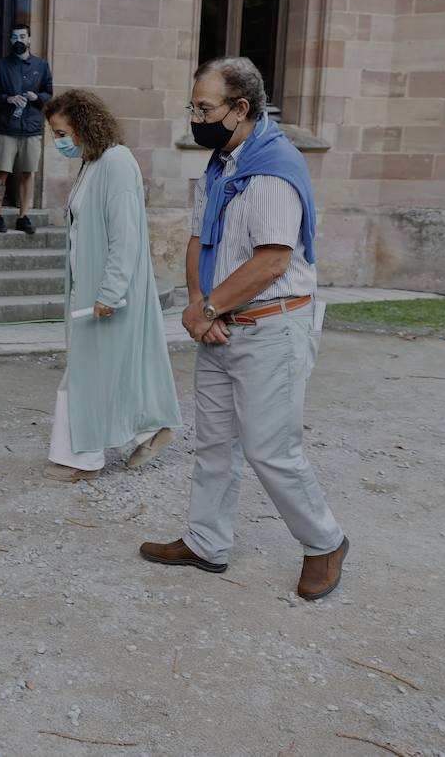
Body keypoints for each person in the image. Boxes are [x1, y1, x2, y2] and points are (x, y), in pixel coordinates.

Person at [140, 56, 348, 601]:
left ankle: (325, 541)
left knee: (271, 449)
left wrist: (207, 311)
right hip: (221, 323)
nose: (196, 117)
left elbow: (272, 262)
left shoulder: (273, 168)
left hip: (270, 327)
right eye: (193, 106)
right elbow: (197, 239)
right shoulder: (220, 164)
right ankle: (207, 541)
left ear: (240, 108)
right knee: (213, 444)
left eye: (204, 108)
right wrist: (197, 303)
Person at [41, 90, 182, 482]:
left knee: (86, 373)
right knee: (107, 369)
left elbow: (126, 234)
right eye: (55, 134)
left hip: (106, 293)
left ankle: (82, 458)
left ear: (84, 125)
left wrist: (109, 291)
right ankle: (150, 427)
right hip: (86, 288)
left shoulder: (117, 163)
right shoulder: (92, 163)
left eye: (62, 132)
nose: (59, 141)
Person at [0, 23, 53, 234]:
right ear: (10, 41)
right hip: (7, 128)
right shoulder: (1, 66)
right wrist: (7, 99)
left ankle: (23, 216)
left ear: (29, 39)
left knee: (27, 174)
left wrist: (37, 97)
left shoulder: (41, 66)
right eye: (14, 37)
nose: (18, 40)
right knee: (1, 173)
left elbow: (49, 92)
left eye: (22, 36)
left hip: (31, 128)